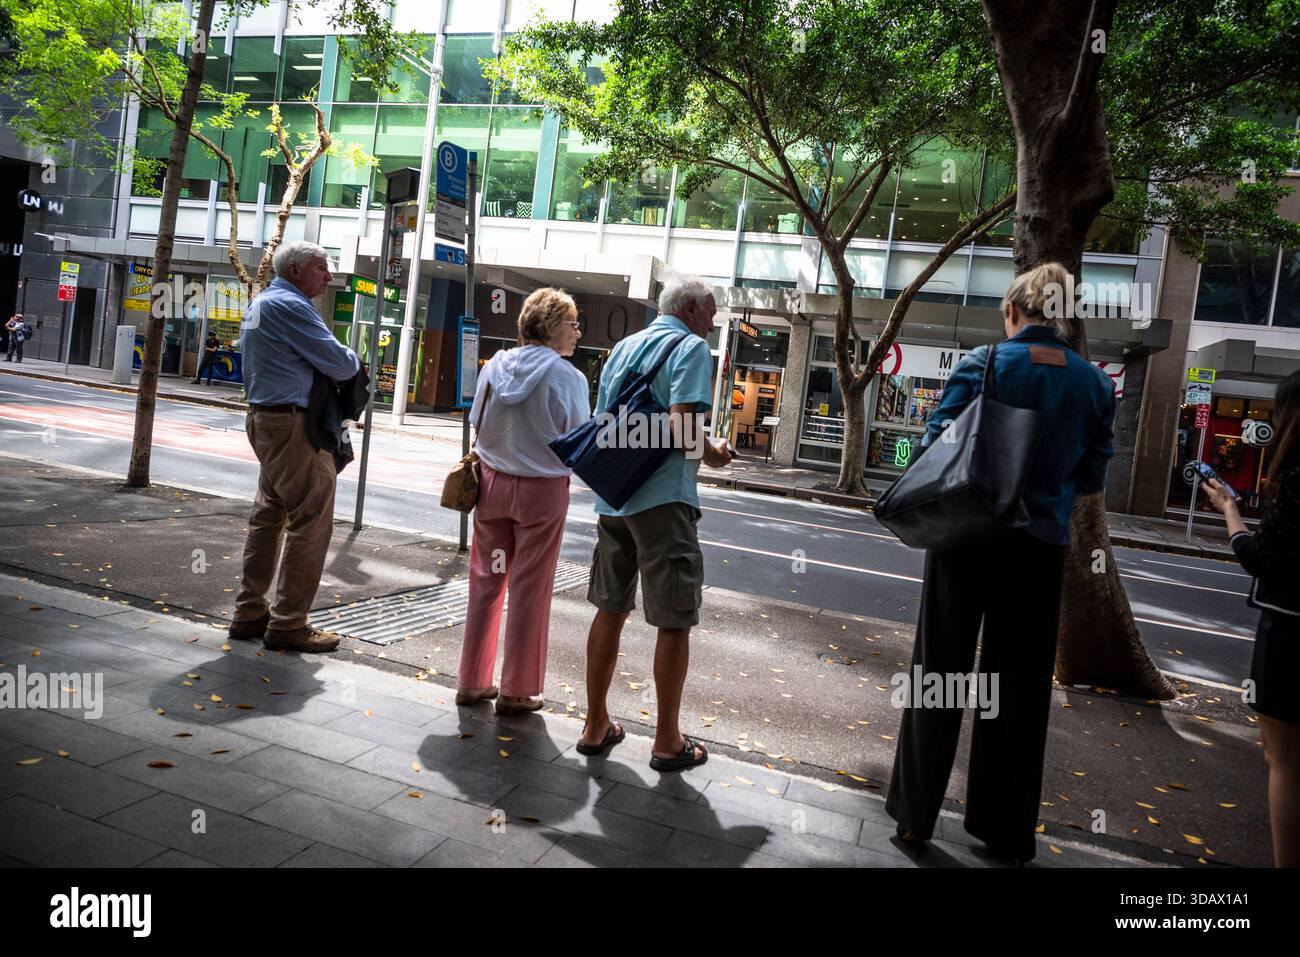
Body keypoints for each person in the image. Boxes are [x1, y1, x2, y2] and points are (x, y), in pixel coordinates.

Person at [886, 261, 1115, 862]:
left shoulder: (983, 364)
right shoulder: (1094, 384)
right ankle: (1006, 831)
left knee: (940, 672)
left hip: (966, 538)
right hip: (1039, 549)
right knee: (1019, 691)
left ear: (1013, 311)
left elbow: (940, 441)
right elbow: (1091, 476)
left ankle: (915, 818)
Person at [577, 275, 733, 770]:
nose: (713, 321)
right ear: (689, 309)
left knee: (610, 609)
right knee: (673, 619)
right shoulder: (689, 349)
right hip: (664, 501)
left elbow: (605, 423)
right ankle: (667, 740)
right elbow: (687, 432)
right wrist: (717, 453)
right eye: (709, 311)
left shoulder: (623, 348)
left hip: (614, 499)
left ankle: (595, 725)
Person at [456, 288, 590, 715]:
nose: (578, 331)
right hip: (541, 494)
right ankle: (516, 690)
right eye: (572, 323)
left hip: (492, 488)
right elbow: (579, 438)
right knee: (530, 589)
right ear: (552, 328)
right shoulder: (568, 377)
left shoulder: (494, 367)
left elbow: (477, 421)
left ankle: (472, 681)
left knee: (487, 579)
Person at [228, 241, 360, 653]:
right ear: (297, 270)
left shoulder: (263, 302)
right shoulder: (292, 306)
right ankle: (288, 623)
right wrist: (353, 357)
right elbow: (341, 364)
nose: (329, 276)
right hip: (292, 425)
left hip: (267, 419)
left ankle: (250, 611)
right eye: (322, 268)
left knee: (268, 517)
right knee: (311, 521)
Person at [1202, 369, 1300, 868]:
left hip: (1290, 627)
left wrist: (1228, 510)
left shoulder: (1298, 478)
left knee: (1283, 758)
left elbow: (1261, 556)